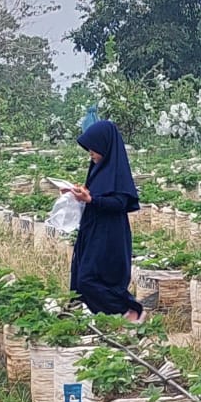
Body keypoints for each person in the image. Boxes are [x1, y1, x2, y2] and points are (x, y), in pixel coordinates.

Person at [68, 120, 143, 321]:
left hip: (109, 234)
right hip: (93, 230)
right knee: (82, 276)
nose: (90, 152)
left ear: (106, 145)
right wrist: (76, 194)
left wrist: (92, 199)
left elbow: (120, 202)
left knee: (89, 280)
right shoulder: (97, 168)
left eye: (94, 148)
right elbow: (94, 197)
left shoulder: (117, 171)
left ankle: (129, 311)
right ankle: (113, 318)